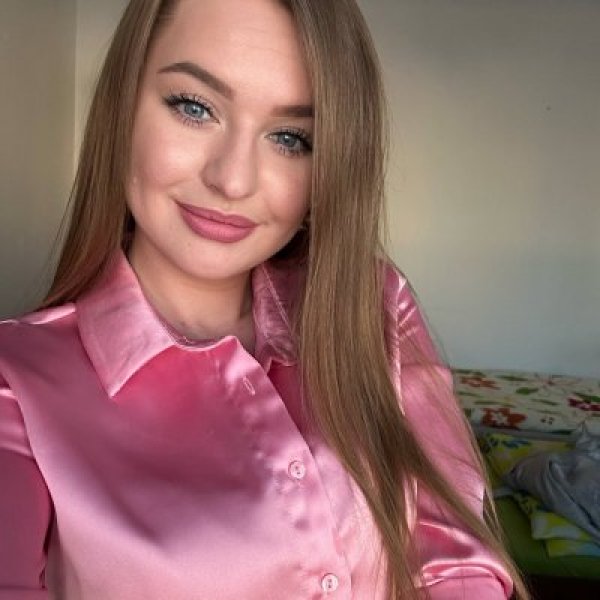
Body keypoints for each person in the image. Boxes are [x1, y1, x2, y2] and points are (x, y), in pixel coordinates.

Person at [0, 0, 529, 598]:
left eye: (290, 138)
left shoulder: (375, 307)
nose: (233, 180)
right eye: (194, 107)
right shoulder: (16, 383)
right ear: (122, 104)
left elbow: (454, 560)